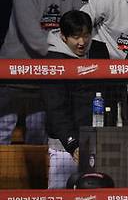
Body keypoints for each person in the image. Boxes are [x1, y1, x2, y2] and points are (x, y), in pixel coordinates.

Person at [0, 0, 80, 145]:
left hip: (45, 75)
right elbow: (33, 36)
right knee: (3, 130)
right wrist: (62, 57)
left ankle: (36, 180)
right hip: (15, 72)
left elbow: (78, 27)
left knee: (37, 136)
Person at [41, 10, 109, 188]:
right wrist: (72, 144)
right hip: (65, 146)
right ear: (63, 36)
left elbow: (109, 94)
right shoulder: (52, 60)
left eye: (86, 35)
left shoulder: (99, 51)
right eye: (76, 37)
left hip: (98, 141)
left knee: (98, 198)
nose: (82, 42)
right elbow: (55, 108)